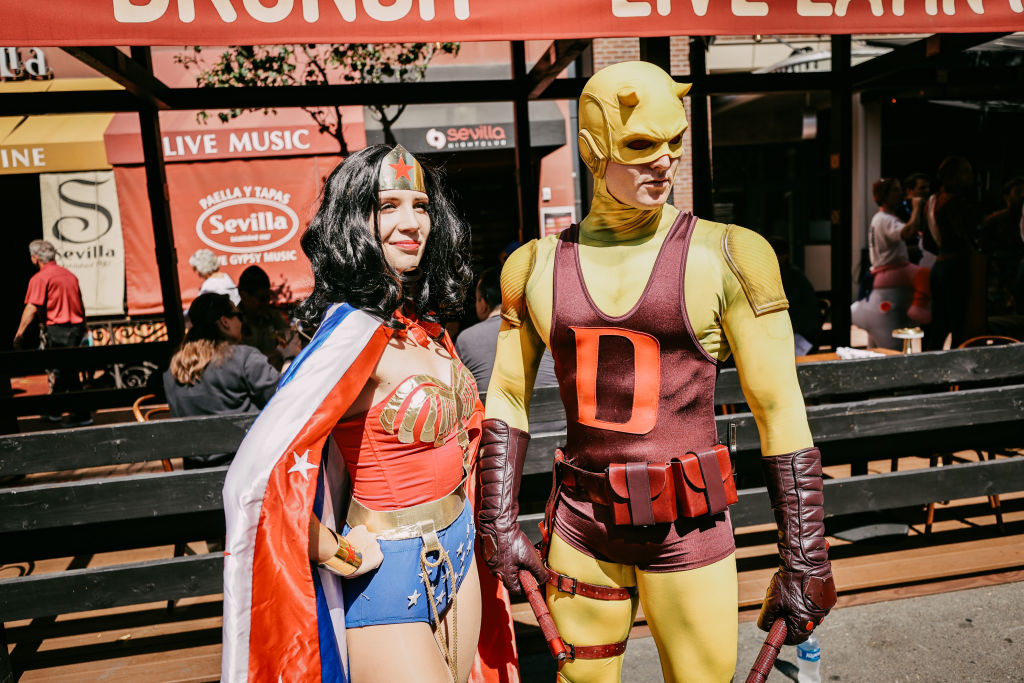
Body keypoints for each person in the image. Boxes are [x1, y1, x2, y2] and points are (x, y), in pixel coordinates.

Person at [476, 62, 836, 682]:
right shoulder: (531, 267)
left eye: (674, 142)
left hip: (687, 520)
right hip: (580, 522)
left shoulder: (731, 254)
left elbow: (779, 406)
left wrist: (806, 553)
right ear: (592, 150)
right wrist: (496, 519)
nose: (665, 161)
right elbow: (506, 394)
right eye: (641, 145)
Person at [220, 145, 516, 683]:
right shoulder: (349, 337)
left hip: (460, 555)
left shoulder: (425, 328)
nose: (411, 223)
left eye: (421, 205)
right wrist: (337, 552)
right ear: (355, 219)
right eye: (388, 206)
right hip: (387, 579)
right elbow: (253, 482)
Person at [163, 292, 280, 469]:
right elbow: (282, 401)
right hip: (247, 474)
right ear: (225, 321)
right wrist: (287, 360)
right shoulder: (244, 358)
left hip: (195, 478)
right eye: (238, 316)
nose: (242, 322)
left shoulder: (172, 370)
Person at [13, 239, 92, 426]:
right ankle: (58, 412)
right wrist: (85, 328)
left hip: (59, 329)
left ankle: (79, 414)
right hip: (76, 328)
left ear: (35, 258)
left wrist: (19, 334)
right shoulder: (69, 275)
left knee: (64, 371)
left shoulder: (40, 278)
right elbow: (80, 304)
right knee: (67, 370)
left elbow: (32, 308)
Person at [852, 178, 931, 349]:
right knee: (891, 348)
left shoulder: (881, 218)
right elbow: (908, 232)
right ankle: (920, 308)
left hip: (885, 287)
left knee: (876, 349)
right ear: (884, 196)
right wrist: (917, 208)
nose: (900, 194)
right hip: (887, 293)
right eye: (895, 190)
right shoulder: (885, 219)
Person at [455, 266, 557, 393]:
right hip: (553, 410)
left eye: (477, 299)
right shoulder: (545, 330)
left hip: (493, 412)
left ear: (483, 304)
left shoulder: (466, 339)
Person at [927, 156, 984, 350]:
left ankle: (930, 367)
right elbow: (966, 234)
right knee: (959, 324)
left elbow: (928, 240)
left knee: (940, 324)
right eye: (965, 171)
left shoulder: (932, 200)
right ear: (953, 176)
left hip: (940, 265)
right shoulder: (955, 203)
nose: (970, 176)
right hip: (955, 265)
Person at [768, 238, 823, 355]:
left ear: (783, 257)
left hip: (801, 335)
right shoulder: (785, 273)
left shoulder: (791, 277)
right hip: (795, 331)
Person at [237, 264, 296, 370]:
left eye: (268, 297)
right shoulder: (234, 322)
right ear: (244, 296)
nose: (267, 302)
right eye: (262, 298)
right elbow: (238, 363)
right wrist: (274, 355)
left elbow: (291, 345)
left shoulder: (274, 316)